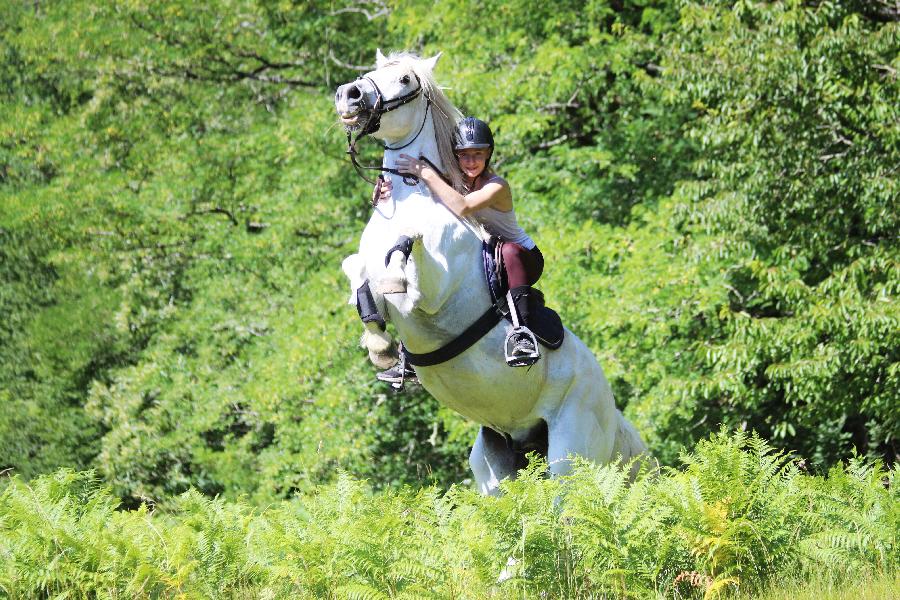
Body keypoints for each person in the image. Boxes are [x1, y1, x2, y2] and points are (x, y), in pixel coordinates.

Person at [375, 117, 545, 385]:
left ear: (488, 154)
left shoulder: (497, 185)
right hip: (486, 257)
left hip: (521, 258)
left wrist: (425, 172)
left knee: (510, 251)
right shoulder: (452, 182)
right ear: (455, 156)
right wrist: (385, 192)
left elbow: (463, 207)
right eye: (464, 155)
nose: (471, 161)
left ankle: (522, 333)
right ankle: (409, 354)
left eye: (478, 154)